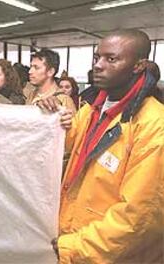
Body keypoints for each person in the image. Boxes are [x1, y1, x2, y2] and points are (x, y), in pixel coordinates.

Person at [42, 30, 163, 263]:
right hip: (75, 240)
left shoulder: (154, 126)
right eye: (97, 57)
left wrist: (73, 247)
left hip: (104, 253)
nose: (98, 65)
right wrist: (45, 115)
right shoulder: (92, 110)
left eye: (111, 59)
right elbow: (60, 145)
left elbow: (140, 218)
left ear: (139, 66)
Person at [26, 49, 76, 113]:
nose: (30, 71)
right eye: (31, 67)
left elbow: (73, 122)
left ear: (50, 72)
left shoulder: (64, 100)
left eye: (36, 68)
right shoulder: (31, 95)